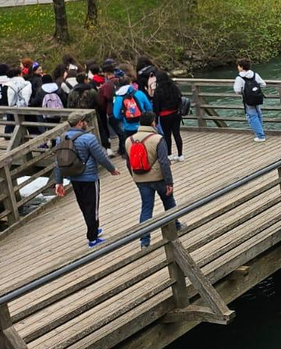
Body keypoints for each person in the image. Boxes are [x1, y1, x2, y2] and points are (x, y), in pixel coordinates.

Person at [54, 111, 120, 248]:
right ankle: (93, 238)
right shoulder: (89, 138)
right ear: (79, 123)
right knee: (93, 207)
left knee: (84, 206)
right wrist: (112, 169)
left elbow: (58, 161)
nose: (86, 123)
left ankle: (93, 228)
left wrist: (58, 182)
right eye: (84, 121)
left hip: (74, 177)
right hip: (89, 177)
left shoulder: (61, 138)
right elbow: (101, 157)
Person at [125, 112, 180, 248]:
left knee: (146, 208)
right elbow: (163, 162)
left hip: (140, 179)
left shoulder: (129, 140)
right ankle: (176, 224)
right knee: (168, 202)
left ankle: (145, 240)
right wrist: (169, 182)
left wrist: (135, 177)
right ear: (153, 123)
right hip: (159, 178)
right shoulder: (157, 139)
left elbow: (128, 163)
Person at [153, 71, 184, 161]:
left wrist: (156, 119)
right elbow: (180, 98)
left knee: (167, 135)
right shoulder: (174, 87)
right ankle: (180, 154)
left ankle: (169, 154)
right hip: (176, 113)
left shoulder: (158, 91)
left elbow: (156, 107)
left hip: (165, 115)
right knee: (177, 133)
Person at [233, 58, 267, 142]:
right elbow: (263, 84)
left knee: (252, 116)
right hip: (257, 97)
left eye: (238, 66)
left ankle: (260, 136)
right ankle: (261, 132)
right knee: (258, 114)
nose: (237, 67)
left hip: (248, 99)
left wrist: (244, 91)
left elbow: (237, 90)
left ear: (241, 67)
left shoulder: (239, 78)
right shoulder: (255, 74)